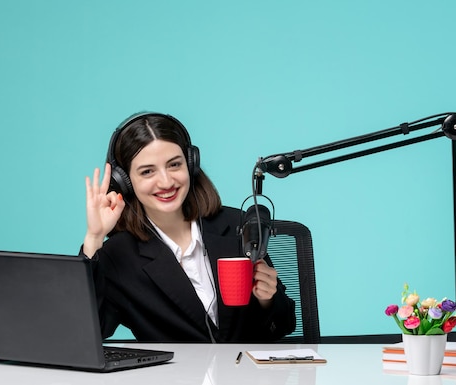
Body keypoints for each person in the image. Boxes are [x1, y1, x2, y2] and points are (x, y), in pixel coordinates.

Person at [82, 112, 296, 343]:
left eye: (174, 165)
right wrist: (94, 238)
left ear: (191, 164)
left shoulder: (237, 226)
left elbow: (283, 326)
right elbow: (88, 331)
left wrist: (268, 299)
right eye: (147, 171)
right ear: (125, 181)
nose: (166, 182)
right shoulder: (119, 255)